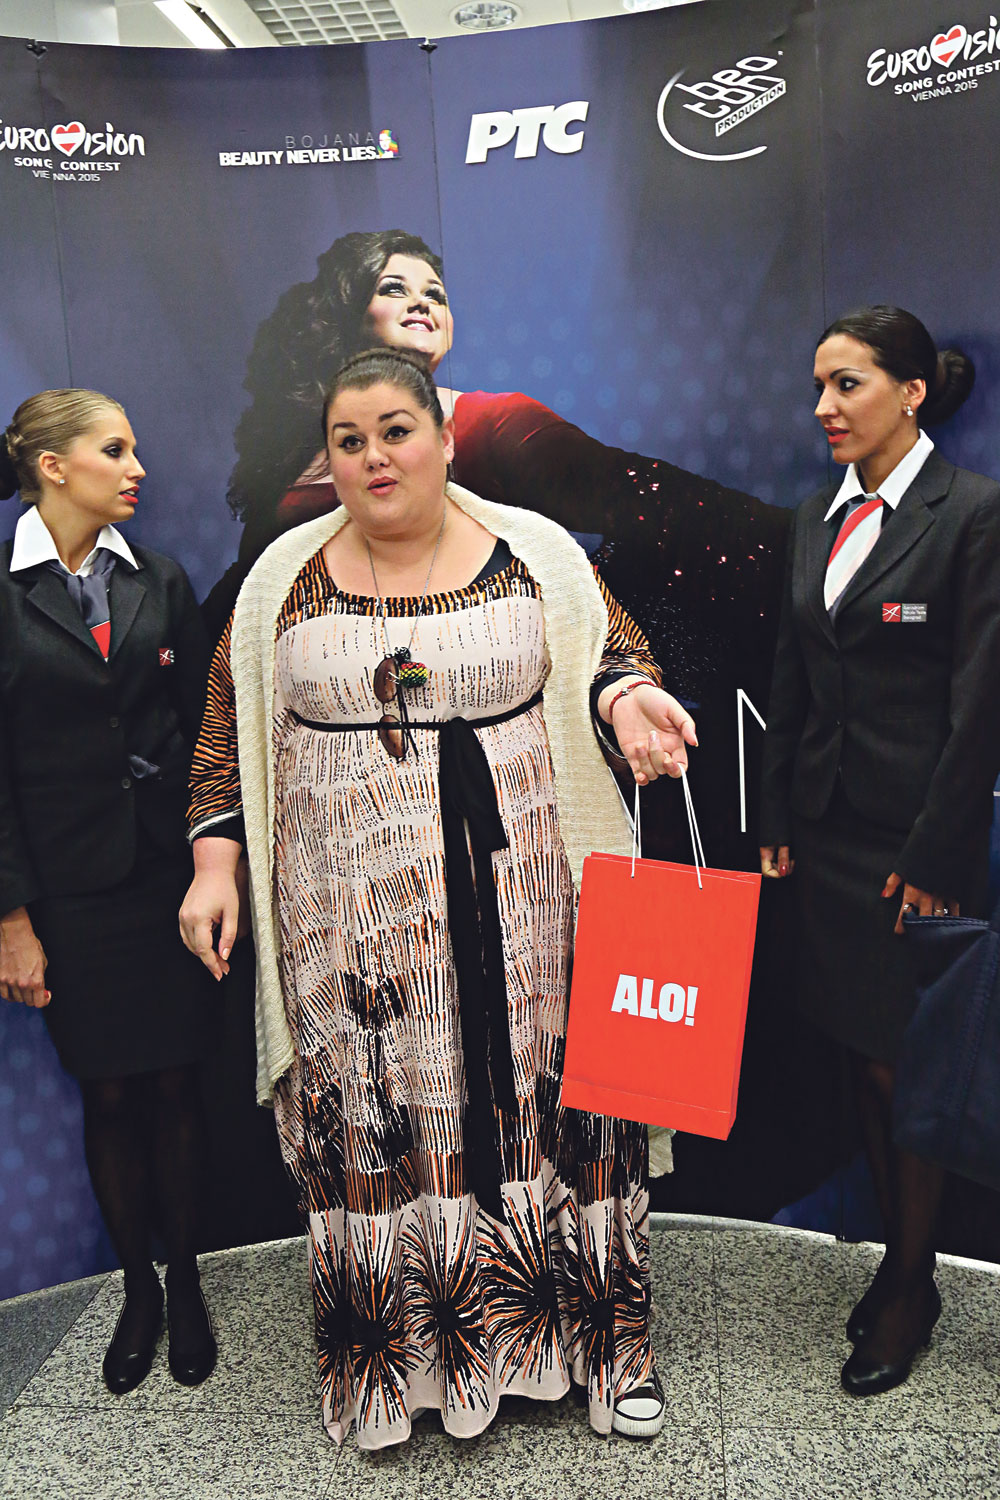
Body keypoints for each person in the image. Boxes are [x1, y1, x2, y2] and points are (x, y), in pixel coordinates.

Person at [181, 347, 698, 1448]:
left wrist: (630, 703)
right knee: (376, 1126)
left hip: (533, 921)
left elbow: (611, 656)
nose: (374, 457)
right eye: (349, 440)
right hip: (348, 941)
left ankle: (611, 1354)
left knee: (564, 1117)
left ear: (445, 440)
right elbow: (227, 728)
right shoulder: (280, 580)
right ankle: (401, 1373)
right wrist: (215, 866)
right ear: (328, 458)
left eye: (395, 432)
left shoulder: (537, 554)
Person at [205, 232, 786, 866]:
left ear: (447, 442)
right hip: (337, 857)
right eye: (394, 287)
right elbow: (233, 697)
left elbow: (646, 519)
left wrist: (620, 693)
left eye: (436, 294)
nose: (422, 303)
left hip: (510, 843)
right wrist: (215, 855)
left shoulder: (504, 448)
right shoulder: (288, 512)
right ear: (347, 307)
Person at [759, 306, 1000, 1397]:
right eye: (818, 385)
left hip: (917, 845)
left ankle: (911, 1279)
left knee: (910, 1062)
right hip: (827, 837)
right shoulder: (815, 516)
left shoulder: (973, 514)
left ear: (910, 393)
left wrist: (937, 854)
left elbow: (980, 705)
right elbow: (790, 677)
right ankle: (903, 1260)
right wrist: (775, 817)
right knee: (862, 1051)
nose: (823, 407)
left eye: (846, 384)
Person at [0, 390, 217, 1393]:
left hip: (168, 878)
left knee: (177, 1083)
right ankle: (138, 1290)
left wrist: (214, 864)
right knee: (111, 1091)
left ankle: (190, 1286)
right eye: (115, 450)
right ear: (53, 466)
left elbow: (203, 736)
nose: (138, 470)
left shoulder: (158, 579)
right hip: (69, 891)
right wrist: (11, 918)